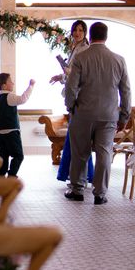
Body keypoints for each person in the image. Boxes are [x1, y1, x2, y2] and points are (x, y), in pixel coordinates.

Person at [64, 21, 131, 205]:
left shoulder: (81, 58)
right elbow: (125, 91)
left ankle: (77, 189)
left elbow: (71, 87)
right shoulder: (119, 60)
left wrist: (71, 107)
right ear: (106, 37)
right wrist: (124, 115)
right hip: (109, 114)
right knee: (104, 153)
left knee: (80, 152)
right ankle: (100, 194)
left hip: (83, 113)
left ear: (90, 36)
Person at [49, 20, 94, 185]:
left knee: (77, 138)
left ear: (85, 33)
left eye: (81, 30)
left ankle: (83, 175)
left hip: (80, 97)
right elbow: (71, 74)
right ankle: (75, 175)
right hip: (72, 95)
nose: (77, 33)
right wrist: (60, 76)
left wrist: (68, 72)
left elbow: (81, 75)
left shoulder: (85, 49)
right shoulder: (74, 48)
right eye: (75, 30)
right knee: (74, 138)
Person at [0, 73, 36, 178]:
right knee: (18, 155)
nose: (13, 83)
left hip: (0, 132)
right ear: (4, 86)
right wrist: (31, 86)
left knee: (3, 154)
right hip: (11, 132)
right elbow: (23, 99)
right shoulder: (9, 96)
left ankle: (0, 172)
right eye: (10, 81)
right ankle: (12, 174)